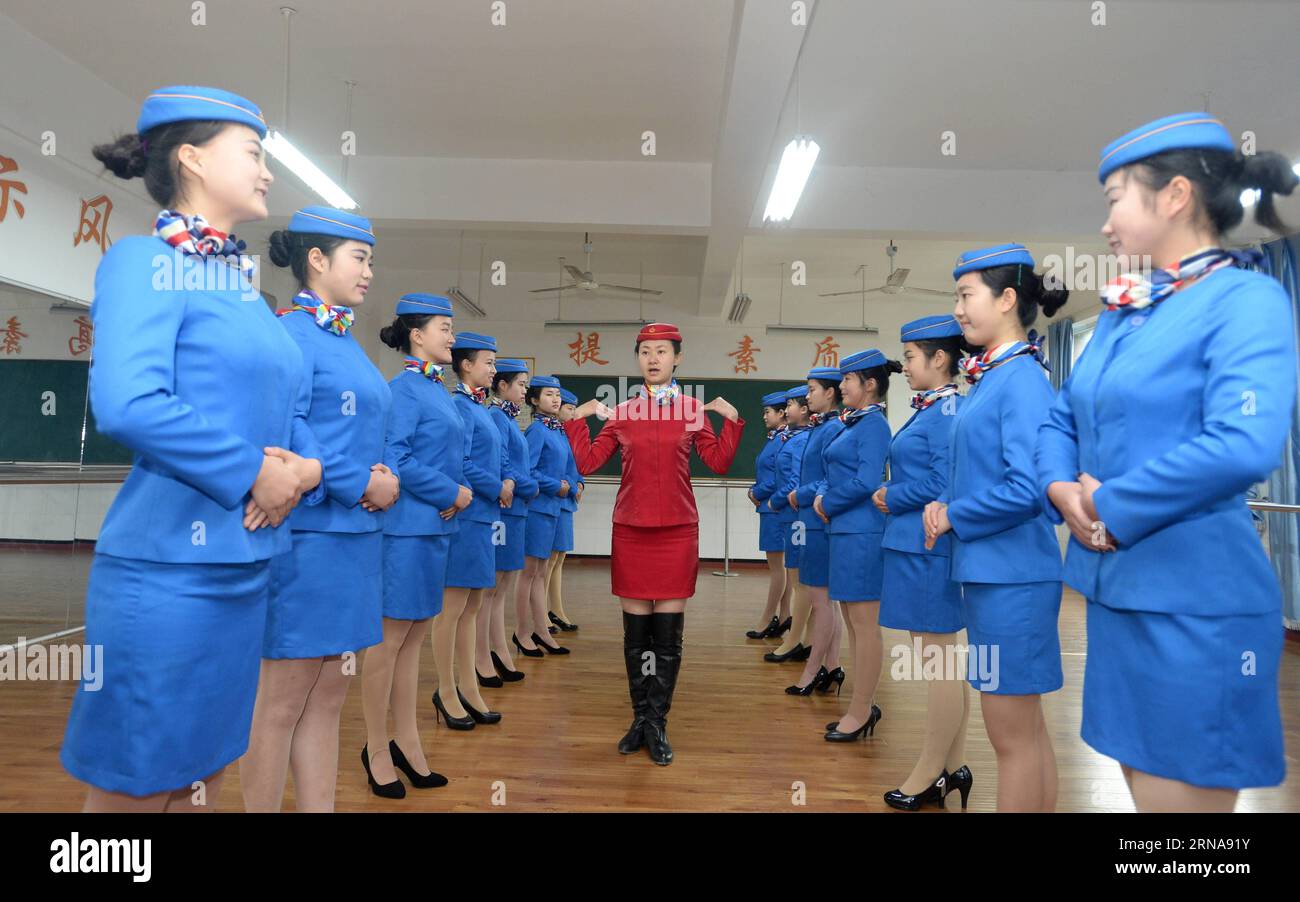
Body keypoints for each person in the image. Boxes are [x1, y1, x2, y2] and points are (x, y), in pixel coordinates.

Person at [61, 85, 323, 811]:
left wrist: (305, 467)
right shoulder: (142, 261)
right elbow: (129, 401)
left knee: (201, 769)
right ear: (191, 158)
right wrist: (250, 475)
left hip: (242, 571)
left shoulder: (240, 286)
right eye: (253, 152)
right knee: (139, 783)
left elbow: (285, 408)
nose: (267, 171)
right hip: (168, 572)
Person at [1039, 112, 1297, 812]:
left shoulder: (1247, 300)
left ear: (1176, 195)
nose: (1106, 223)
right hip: (1117, 595)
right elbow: (1063, 415)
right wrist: (1065, 492)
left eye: (1115, 197)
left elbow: (1241, 442)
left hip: (1196, 606)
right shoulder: (1127, 313)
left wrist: (1108, 505)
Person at [242, 207, 395, 812]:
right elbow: (290, 424)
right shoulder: (289, 334)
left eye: (370, 260)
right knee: (281, 704)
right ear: (316, 260)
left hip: (357, 539)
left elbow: (361, 429)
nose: (368, 272)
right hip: (311, 539)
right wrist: (359, 479)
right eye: (359, 258)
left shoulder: (343, 339)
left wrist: (384, 476)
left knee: (330, 699)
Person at [923, 243, 1068, 811]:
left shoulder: (1021, 380)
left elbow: (1029, 486)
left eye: (966, 295)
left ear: (1007, 299)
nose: (958, 309)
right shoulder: (993, 378)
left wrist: (955, 514)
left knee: (1011, 737)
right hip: (996, 575)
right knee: (1025, 733)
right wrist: (945, 503)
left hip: (1014, 580)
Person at [566, 323, 744, 765]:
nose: (653, 358)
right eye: (645, 351)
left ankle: (657, 723)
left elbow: (720, 463)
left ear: (676, 358)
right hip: (631, 529)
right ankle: (639, 718)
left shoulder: (691, 410)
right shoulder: (623, 412)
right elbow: (587, 461)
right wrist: (577, 420)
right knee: (635, 638)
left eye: (661, 351)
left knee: (667, 638)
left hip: (677, 531)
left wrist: (733, 419)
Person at [360, 293, 467, 798]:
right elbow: (393, 456)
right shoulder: (403, 389)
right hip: (405, 530)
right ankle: (376, 747)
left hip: (434, 531)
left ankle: (408, 740)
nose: (452, 336)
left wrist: (454, 495)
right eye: (443, 327)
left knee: (413, 643)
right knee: (387, 645)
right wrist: (452, 491)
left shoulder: (438, 390)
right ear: (416, 335)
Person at [874, 316, 972, 810]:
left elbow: (941, 484)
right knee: (941, 661)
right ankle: (953, 768)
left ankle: (928, 772)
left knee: (938, 662)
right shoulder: (934, 409)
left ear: (939, 359)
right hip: (918, 545)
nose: (906, 365)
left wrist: (893, 493)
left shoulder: (948, 411)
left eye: (911, 356)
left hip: (928, 545)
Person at [816, 351, 894, 742]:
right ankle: (861, 704)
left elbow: (866, 481)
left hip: (863, 535)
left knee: (865, 628)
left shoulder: (874, 424)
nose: (841, 385)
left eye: (849, 379)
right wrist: (824, 498)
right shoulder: (853, 424)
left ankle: (862, 709)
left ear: (871, 385)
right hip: (845, 533)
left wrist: (826, 502)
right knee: (853, 624)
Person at [434, 332, 506, 728]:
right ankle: (446, 689)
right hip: (465, 515)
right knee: (452, 608)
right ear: (466, 365)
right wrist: (496, 486)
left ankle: (467, 685)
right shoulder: (459, 406)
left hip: (483, 518)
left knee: (474, 606)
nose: (493, 370)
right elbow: (459, 461)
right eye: (488, 362)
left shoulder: (481, 408)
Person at [785, 368, 847, 696]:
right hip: (812, 520)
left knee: (822, 601)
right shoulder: (822, 426)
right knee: (826, 602)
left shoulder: (834, 427)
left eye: (812, 390)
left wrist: (802, 494)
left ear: (830, 393)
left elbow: (831, 477)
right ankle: (833, 666)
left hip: (819, 519)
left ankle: (810, 673)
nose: (807, 396)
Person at [475, 359, 536, 686]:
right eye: (521, 384)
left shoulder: (508, 419)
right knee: (491, 591)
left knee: (500, 589)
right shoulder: (496, 417)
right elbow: (503, 467)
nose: (525, 390)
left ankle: (498, 649)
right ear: (502, 386)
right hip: (505, 509)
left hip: (516, 510)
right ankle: (483, 655)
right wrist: (531, 486)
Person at [516, 375, 573, 656]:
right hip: (538, 507)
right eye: (549, 394)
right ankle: (523, 632)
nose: (556, 399)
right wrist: (555, 486)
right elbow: (529, 471)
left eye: (557, 394)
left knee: (540, 573)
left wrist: (572, 484)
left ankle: (541, 629)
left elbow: (569, 467)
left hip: (551, 509)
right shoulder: (537, 431)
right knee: (529, 574)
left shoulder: (557, 430)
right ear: (535, 400)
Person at [763, 386, 813, 663]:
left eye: (790, 404)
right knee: (797, 580)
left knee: (799, 581)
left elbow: (795, 481)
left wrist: (774, 500)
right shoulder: (792, 437)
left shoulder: (800, 439)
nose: (786, 409)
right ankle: (799, 636)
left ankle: (797, 639)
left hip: (795, 517)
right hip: (790, 515)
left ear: (803, 409)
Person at [746, 391, 794, 640]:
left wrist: (756, 491)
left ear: (782, 413)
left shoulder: (783, 440)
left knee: (777, 568)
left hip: (774, 507)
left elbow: (778, 478)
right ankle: (784, 616)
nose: (764, 416)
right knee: (782, 567)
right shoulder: (777, 439)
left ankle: (767, 619)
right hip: (772, 507)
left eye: (768, 412)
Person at [545, 387, 585, 632]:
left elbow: (575, 463)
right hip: (553, 499)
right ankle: (544, 613)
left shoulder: (563, 434)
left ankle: (556, 609)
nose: (572, 414)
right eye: (569, 409)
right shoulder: (546, 432)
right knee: (547, 562)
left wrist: (580, 482)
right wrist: (571, 486)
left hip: (566, 499)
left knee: (559, 557)